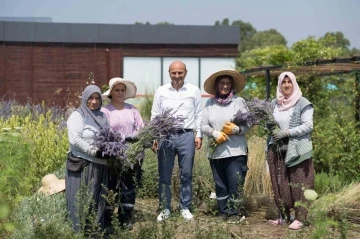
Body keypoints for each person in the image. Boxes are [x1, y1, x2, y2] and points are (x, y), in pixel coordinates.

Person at [151, 61, 203, 222]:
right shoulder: (161, 91)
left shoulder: (194, 90)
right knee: (164, 174)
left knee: (186, 173)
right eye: (174, 73)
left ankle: (185, 207)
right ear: (169, 73)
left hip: (186, 135)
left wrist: (198, 134)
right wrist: (154, 136)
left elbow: (199, 114)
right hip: (165, 136)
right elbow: (155, 115)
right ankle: (165, 208)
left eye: (180, 72)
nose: (177, 76)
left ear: (185, 73)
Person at [266, 71, 315, 230]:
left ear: (294, 84)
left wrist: (287, 132)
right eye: (283, 82)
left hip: (297, 148)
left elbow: (308, 125)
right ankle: (284, 215)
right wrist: (270, 128)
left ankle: (300, 217)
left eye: (289, 82)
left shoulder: (302, 102)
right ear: (279, 85)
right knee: (280, 182)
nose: (286, 85)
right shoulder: (274, 103)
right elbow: (270, 123)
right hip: (277, 147)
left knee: (300, 182)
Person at [201, 70, 249, 223]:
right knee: (220, 184)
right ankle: (223, 211)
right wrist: (214, 133)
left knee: (235, 183)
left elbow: (248, 124)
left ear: (232, 86)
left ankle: (234, 213)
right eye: (222, 83)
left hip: (236, 152)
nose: (225, 86)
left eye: (228, 83)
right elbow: (202, 125)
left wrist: (238, 129)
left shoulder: (239, 102)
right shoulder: (209, 103)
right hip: (216, 152)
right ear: (217, 85)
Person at [101, 77, 145, 230]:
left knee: (129, 187)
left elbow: (141, 128)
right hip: (113, 156)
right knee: (111, 186)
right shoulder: (105, 111)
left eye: (122, 90)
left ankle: (125, 218)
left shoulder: (132, 110)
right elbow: (103, 132)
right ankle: (107, 219)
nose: (119, 93)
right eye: (116, 90)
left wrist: (137, 139)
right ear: (111, 92)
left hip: (133, 155)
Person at [66, 85, 110, 232]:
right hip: (83, 164)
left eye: (97, 98)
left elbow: (108, 137)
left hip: (101, 164)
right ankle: (78, 232)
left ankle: (94, 231)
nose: (94, 101)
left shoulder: (102, 116)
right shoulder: (78, 115)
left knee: (98, 199)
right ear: (85, 98)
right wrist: (93, 151)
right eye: (91, 98)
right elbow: (75, 140)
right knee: (82, 199)